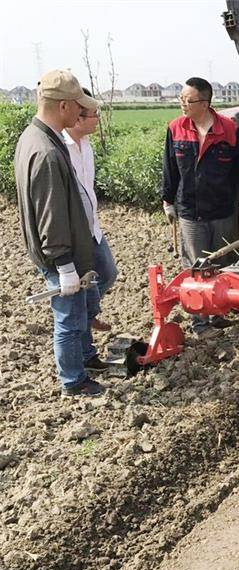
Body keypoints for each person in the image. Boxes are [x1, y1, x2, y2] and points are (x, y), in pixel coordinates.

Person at [14, 69, 108, 397]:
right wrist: (64, 264)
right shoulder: (48, 151)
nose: (81, 112)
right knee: (68, 320)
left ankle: (87, 358)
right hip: (60, 254)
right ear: (64, 106)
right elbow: (50, 214)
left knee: (81, 309)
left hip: (68, 249)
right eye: (78, 105)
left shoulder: (34, 137)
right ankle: (74, 381)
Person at [162, 76, 239, 337]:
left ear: (204, 103)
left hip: (223, 209)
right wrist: (168, 201)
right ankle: (200, 324)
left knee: (221, 263)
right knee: (196, 266)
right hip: (190, 211)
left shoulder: (228, 129)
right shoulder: (176, 128)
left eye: (187, 100)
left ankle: (215, 314)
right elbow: (169, 169)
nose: (182, 104)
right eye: (181, 99)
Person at [63, 87, 118, 332]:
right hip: (74, 234)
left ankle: (88, 313)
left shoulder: (86, 146)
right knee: (85, 284)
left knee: (107, 272)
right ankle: (85, 321)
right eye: (94, 114)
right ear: (78, 117)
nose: (98, 119)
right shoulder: (60, 149)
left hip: (92, 226)